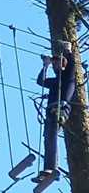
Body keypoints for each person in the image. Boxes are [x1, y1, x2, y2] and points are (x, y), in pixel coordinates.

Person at [32, 40, 77, 183]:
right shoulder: (55, 81)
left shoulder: (68, 77)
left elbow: (72, 66)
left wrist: (68, 51)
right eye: (54, 64)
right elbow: (41, 81)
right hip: (51, 111)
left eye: (58, 63)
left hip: (61, 109)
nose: (55, 66)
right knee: (48, 138)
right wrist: (45, 66)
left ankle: (51, 168)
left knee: (51, 134)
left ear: (63, 65)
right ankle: (48, 169)